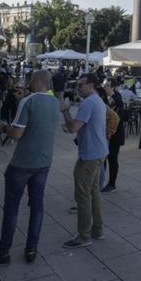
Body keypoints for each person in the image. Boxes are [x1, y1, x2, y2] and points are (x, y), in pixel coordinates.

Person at [0, 70, 60, 266]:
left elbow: (17, 134)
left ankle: (3, 251)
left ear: (38, 81)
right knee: (37, 206)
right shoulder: (55, 103)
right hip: (44, 162)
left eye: (31, 80)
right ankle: (32, 247)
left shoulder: (28, 102)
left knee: (12, 207)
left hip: (23, 163)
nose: (28, 82)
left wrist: (4, 128)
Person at [59, 73, 109, 249]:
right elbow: (82, 127)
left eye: (81, 85)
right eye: (77, 85)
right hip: (99, 151)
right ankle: (97, 230)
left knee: (83, 195)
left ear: (91, 85)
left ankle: (84, 235)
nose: (78, 88)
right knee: (94, 192)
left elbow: (74, 127)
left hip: (90, 155)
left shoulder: (88, 102)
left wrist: (64, 110)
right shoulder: (97, 100)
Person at [101, 78, 125, 193]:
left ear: (113, 87)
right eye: (104, 85)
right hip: (106, 133)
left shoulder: (117, 99)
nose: (104, 87)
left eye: (107, 85)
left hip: (115, 134)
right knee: (103, 158)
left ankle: (112, 184)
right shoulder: (104, 97)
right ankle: (101, 181)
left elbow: (116, 118)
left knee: (112, 159)